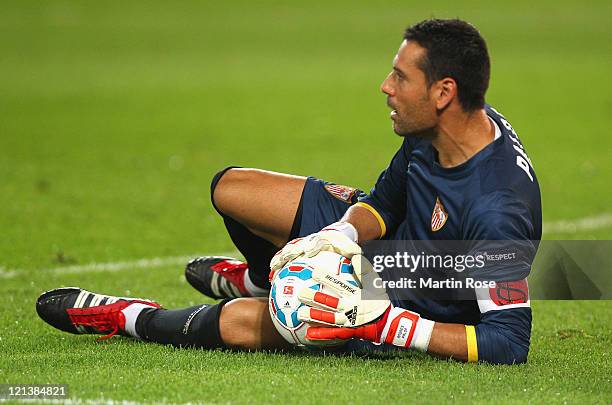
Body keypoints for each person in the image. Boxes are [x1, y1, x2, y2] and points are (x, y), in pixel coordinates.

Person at [36, 18, 541, 364]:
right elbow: (386, 201)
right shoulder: (443, 131)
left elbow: (509, 341)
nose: (385, 86)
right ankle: (261, 278)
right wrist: (340, 236)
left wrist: (388, 326)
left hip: (407, 296)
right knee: (232, 190)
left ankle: (129, 317)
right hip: (388, 245)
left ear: (443, 92)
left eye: (400, 76)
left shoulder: (499, 212)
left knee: (236, 324)